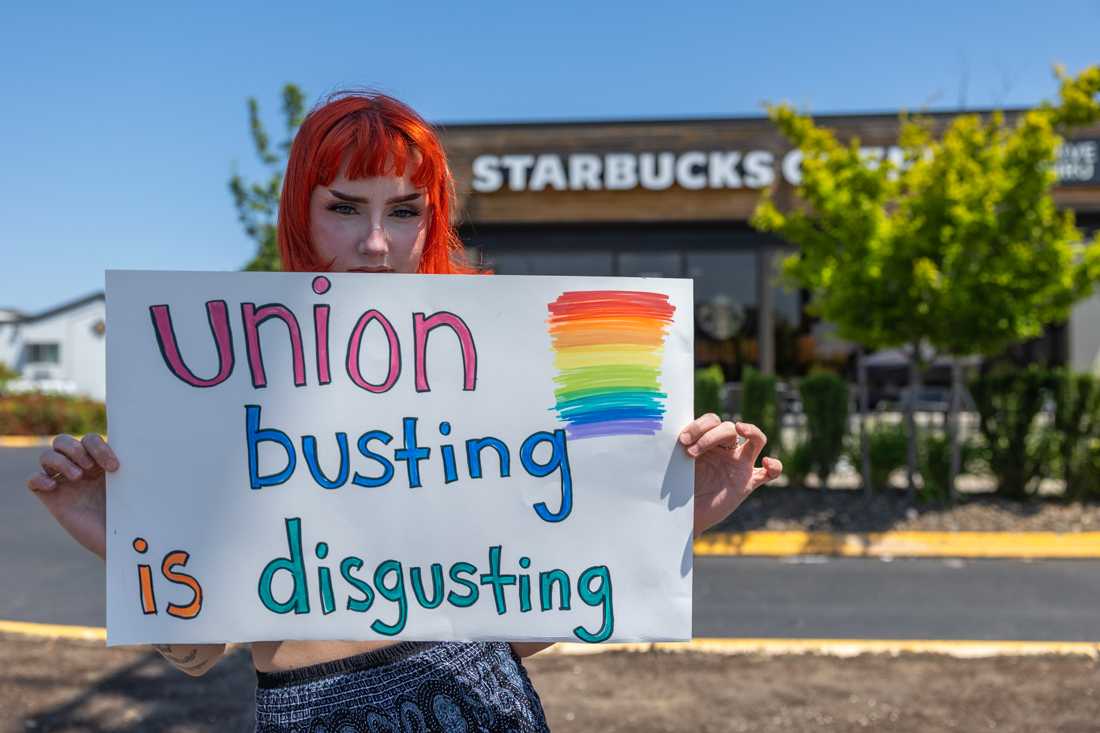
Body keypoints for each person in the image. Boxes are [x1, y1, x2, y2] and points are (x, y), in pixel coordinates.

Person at [26, 91, 784, 732]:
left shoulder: (492, 366)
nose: (378, 242)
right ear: (301, 213)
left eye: (406, 209)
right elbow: (198, 648)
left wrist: (672, 514)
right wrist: (121, 538)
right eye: (346, 208)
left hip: (485, 706)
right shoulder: (233, 374)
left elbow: (518, 624)